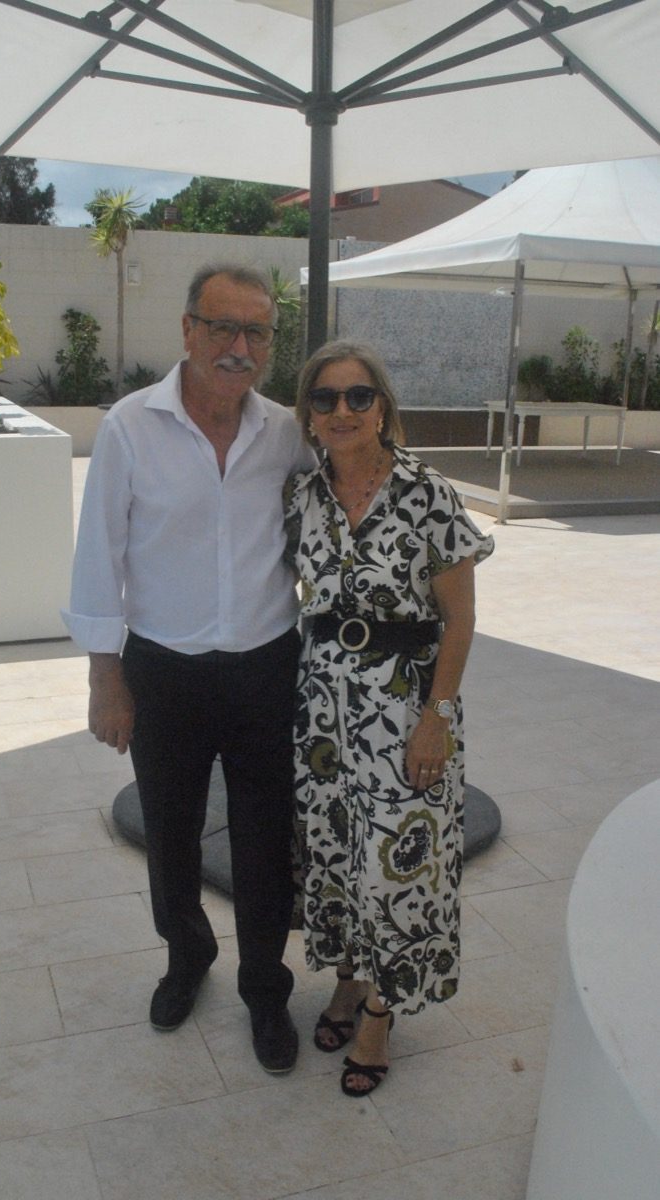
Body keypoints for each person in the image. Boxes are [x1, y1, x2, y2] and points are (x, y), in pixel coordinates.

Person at [62, 264, 315, 1074]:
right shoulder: (131, 427)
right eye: (222, 327)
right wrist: (105, 678)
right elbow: (97, 557)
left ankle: (265, 987)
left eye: (256, 332)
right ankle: (187, 954)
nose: (239, 346)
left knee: (264, 838)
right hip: (163, 669)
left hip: (267, 667)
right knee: (169, 831)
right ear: (187, 329)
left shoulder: (287, 432)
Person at [283, 340, 494, 1097]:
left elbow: (460, 620)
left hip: (405, 711)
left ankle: (380, 1010)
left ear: (382, 407)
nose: (341, 410)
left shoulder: (427, 493)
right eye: (325, 398)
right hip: (323, 718)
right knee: (336, 854)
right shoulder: (302, 498)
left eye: (357, 396)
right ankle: (347, 975)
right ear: (308, 415)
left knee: (396, 866)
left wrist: (437, 717)